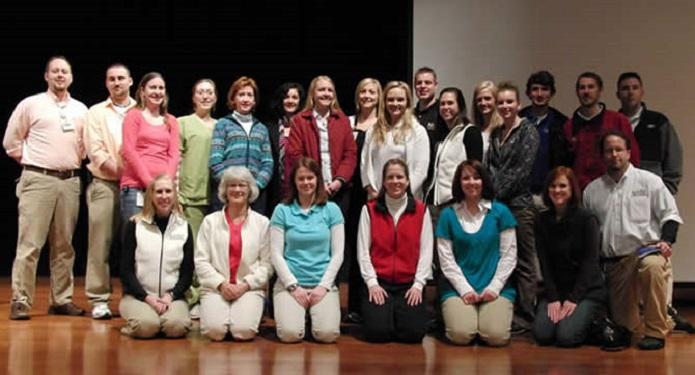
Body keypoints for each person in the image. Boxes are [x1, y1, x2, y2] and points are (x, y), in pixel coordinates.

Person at [4, 56, 88, 320]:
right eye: (55, 71)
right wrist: (36, 165)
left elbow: (85, 147)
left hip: (70, 181)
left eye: (65, 71)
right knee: (30, 244)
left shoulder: (81, 109)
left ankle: (61, 299)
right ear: (46, 76)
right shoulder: (31, 104)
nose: (60, 75)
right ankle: (21, 300)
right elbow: (11, 142)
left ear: (71, 77)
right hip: (38, 180)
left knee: (64, 245)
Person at [584, 130, 682, 350]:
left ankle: (656, 332)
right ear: (603, 155)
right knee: (626, 327)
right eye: (609, 151)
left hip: (645, 252)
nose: (614, 154)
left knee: (653, 267)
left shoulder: (650, 182)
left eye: (619, 149)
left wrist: (667, 240)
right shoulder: (592, 191)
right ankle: (658, 318)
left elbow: (671, 215)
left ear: (628, 152)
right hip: (615, 265)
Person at [616, 72, 692, 333]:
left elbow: (674, 158)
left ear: (642, 92)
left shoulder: (657, 122)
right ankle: (634, 309)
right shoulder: (613, 123)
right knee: (629, 254)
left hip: (653, 197)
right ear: (618, 93)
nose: (630, 92)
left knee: (659, 255)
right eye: (625, 88)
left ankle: (664, 309)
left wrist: (667, 189)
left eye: (635, 87)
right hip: (622, 197)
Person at [436, 160, 517, 346]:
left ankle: (483, 318)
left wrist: (494, 288)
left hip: (495, 287)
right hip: (458, 289)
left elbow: (509, 256)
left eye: (476, 177)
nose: (471, 182)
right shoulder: (447, 215)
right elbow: (446, 261)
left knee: (496, 337)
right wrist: (465, 290)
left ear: (484, 181)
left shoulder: (501, 212)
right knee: (461, 335)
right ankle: (472, 318)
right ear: (459, 182)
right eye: (466, 178)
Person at [357, 158, 433, 342]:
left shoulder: (422, 211)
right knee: (377, 333)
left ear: (407, 181)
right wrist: (372, 283)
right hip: (379, 282)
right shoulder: (370, 209)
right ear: (383, 181)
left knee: (413, 334)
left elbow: (426, 251)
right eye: (390, 177)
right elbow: (363, 251)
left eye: (400, 177)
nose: (395, 181)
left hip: (408, 284)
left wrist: (418, 284)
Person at [270, 157, 345, 343]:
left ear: (318, 179)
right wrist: (293, 287)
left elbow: (338, 255)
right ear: (294, 182)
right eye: (301, 178)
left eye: (310, 178)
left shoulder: (332, 210)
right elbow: (276, 255)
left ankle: (313, 316)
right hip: (290, 286)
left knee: (327, 335)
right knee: (290, 335)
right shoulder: (282, 210)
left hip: (322, 284)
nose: (306, 183)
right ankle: (301, 316)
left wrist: (323, 286)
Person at [195, 167, 273, 341]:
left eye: (242, 185)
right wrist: (221, 285)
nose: (237, 189)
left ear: (250, 189)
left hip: (248, 288)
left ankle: (244, 314)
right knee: (214, 332)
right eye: (232, 185)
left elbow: (267, 264)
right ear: (224, 190)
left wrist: (245, 285)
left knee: (242, 332)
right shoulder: (210, 222)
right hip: (216, 287)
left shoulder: (262, 223)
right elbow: (201, 261)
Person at [486, 81, 539, 333]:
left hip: (519, 206)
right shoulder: (497, 133)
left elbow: (521, 171)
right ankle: (505, 308)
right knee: (503, 259)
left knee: (525, 261)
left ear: (518, 104)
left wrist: (494, 192)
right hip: (497, 206)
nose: (505, 106)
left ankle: (527, 314)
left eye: (510, 101)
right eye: (501, 102)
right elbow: (490, 168)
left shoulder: (528, 131)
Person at [83, 63, 135, 320]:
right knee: (99, 244)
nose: (117, 83)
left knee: (135, 245)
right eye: (112, 79)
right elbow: (96, 150)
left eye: (121, 78)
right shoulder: (95, 112)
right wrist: (124, 173)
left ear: (131, 81)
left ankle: (133, 296)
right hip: (105, 184)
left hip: (136, 187)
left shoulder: (141, 110)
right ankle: (99, 299)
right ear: (106, 83)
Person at [533, 167, 606, 347]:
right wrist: (553, 298)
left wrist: (573, 299)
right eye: (553, 186)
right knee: (542, 335)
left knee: (567, 338)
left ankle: (596, 318)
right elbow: (545, 264)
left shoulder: (587, 219)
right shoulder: (542, 220)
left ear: (572, 189)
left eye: (563, 186)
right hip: (558, 290)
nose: (557, 190)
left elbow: (590, 264)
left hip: (586, 291)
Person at [119, 175, 194, 338]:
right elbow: (126, 271)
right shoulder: (135, 225)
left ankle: (162, 319)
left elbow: (187, 273)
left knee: (177, 327)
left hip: (172, 298)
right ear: (151, 195)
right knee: (146, 327)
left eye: (168, 191)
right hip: (138, 297)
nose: (164, 196)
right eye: (159, 192)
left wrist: (170, 296)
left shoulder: (184, 227)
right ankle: (144, 321)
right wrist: (147, 298)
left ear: (175, 195)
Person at [285, 75, 356, 217]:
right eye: (321, 89)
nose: (326, 93)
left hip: (339, 190)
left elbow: (350, 153)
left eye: (330, 90)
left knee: (338, 235)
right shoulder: (300, 121)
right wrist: (315, 183)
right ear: (313, 93)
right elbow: (295, 154)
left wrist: (339, 181)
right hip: (310, 190)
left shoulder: (342, 120)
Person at [344, 78, 384, 323]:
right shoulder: (347, 122)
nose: (367, 95)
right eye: (363, 92)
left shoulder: (383, 125)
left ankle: (373, 303)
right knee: (352, 245)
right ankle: (353, 306)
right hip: (350, 191)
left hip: (373, 191)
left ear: (379, 96)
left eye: (372, 92)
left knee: (371, 246)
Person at [120, 72, 180, 224]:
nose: (157, 92)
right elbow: (129, 151)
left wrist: (165, 185)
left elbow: (173, 155)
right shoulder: (133, 116)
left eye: (161, 88)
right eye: (153, 87)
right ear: (142, 91)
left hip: (163, 192)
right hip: (136, 188)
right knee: (134, 237)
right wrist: (151, 184)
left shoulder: (171, 121)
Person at [563, 72, 639, 190]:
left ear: (600, 90)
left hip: (613, 189)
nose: (586, 91)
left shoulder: (618, 120)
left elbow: (633, 156)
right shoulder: (569, 126)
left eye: (591, 87)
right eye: (582, 88)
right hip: (579, 193)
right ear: (577, 92)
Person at [209, 76, 273, 213]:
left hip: (255, 197)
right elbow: (215, 162)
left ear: (254, 101)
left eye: (249, 95)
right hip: (227, 195)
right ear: (233, 99)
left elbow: (268, 163)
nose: (245, 99)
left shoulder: (262, 129)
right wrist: (232, 185)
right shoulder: (223, 124)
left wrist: (255, 186)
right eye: (241, 94)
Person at [361, 81, 430, 200]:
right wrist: (372, 191)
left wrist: (400, 195)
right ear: (384, 102)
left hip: (406, 199)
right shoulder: (373, 130)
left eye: (400, 99)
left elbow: (420, 170)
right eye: (391, 99)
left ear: (407, 102)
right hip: (377, 198)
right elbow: (364, 164)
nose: (395, 103)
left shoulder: (418, 131)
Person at [426, 87, 483, 216]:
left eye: (450, 103)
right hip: (436, 203)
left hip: (457, 202)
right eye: (442, 103)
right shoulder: (442, 135)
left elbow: (475, 170)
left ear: (460, 106)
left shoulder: (470, 132)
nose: (445, 107)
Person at [519, 71, 570, 202]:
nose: (540, 94)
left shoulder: (562, 123)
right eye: (535, 89)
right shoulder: (518, 120)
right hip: (522, 193)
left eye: (545, 89)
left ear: (552, 93)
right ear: (528, 93)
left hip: (552, 192)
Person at [178, 79, 218, 238]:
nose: (205, 97)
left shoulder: (222, 125)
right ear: (193, 97)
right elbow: (176, 159)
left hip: (217, 198)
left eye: (209, 92)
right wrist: (176, 195)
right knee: (193, 249)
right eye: (200, 92)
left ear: (215, 98)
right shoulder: (182, 123)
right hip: (190, 198)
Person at [267, 82, 305, 214]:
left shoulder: (306, 127)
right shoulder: (269, 127)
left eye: (294, 97)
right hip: (275, 189)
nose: (290, 101)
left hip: (300, 187)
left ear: (300, 101)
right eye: (286, 97)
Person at [472, 81, 504, 160]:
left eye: (487, 98)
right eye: (479, 100)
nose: (483, 103)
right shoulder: (475, 130)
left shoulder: (503, 128)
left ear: (496, 100)